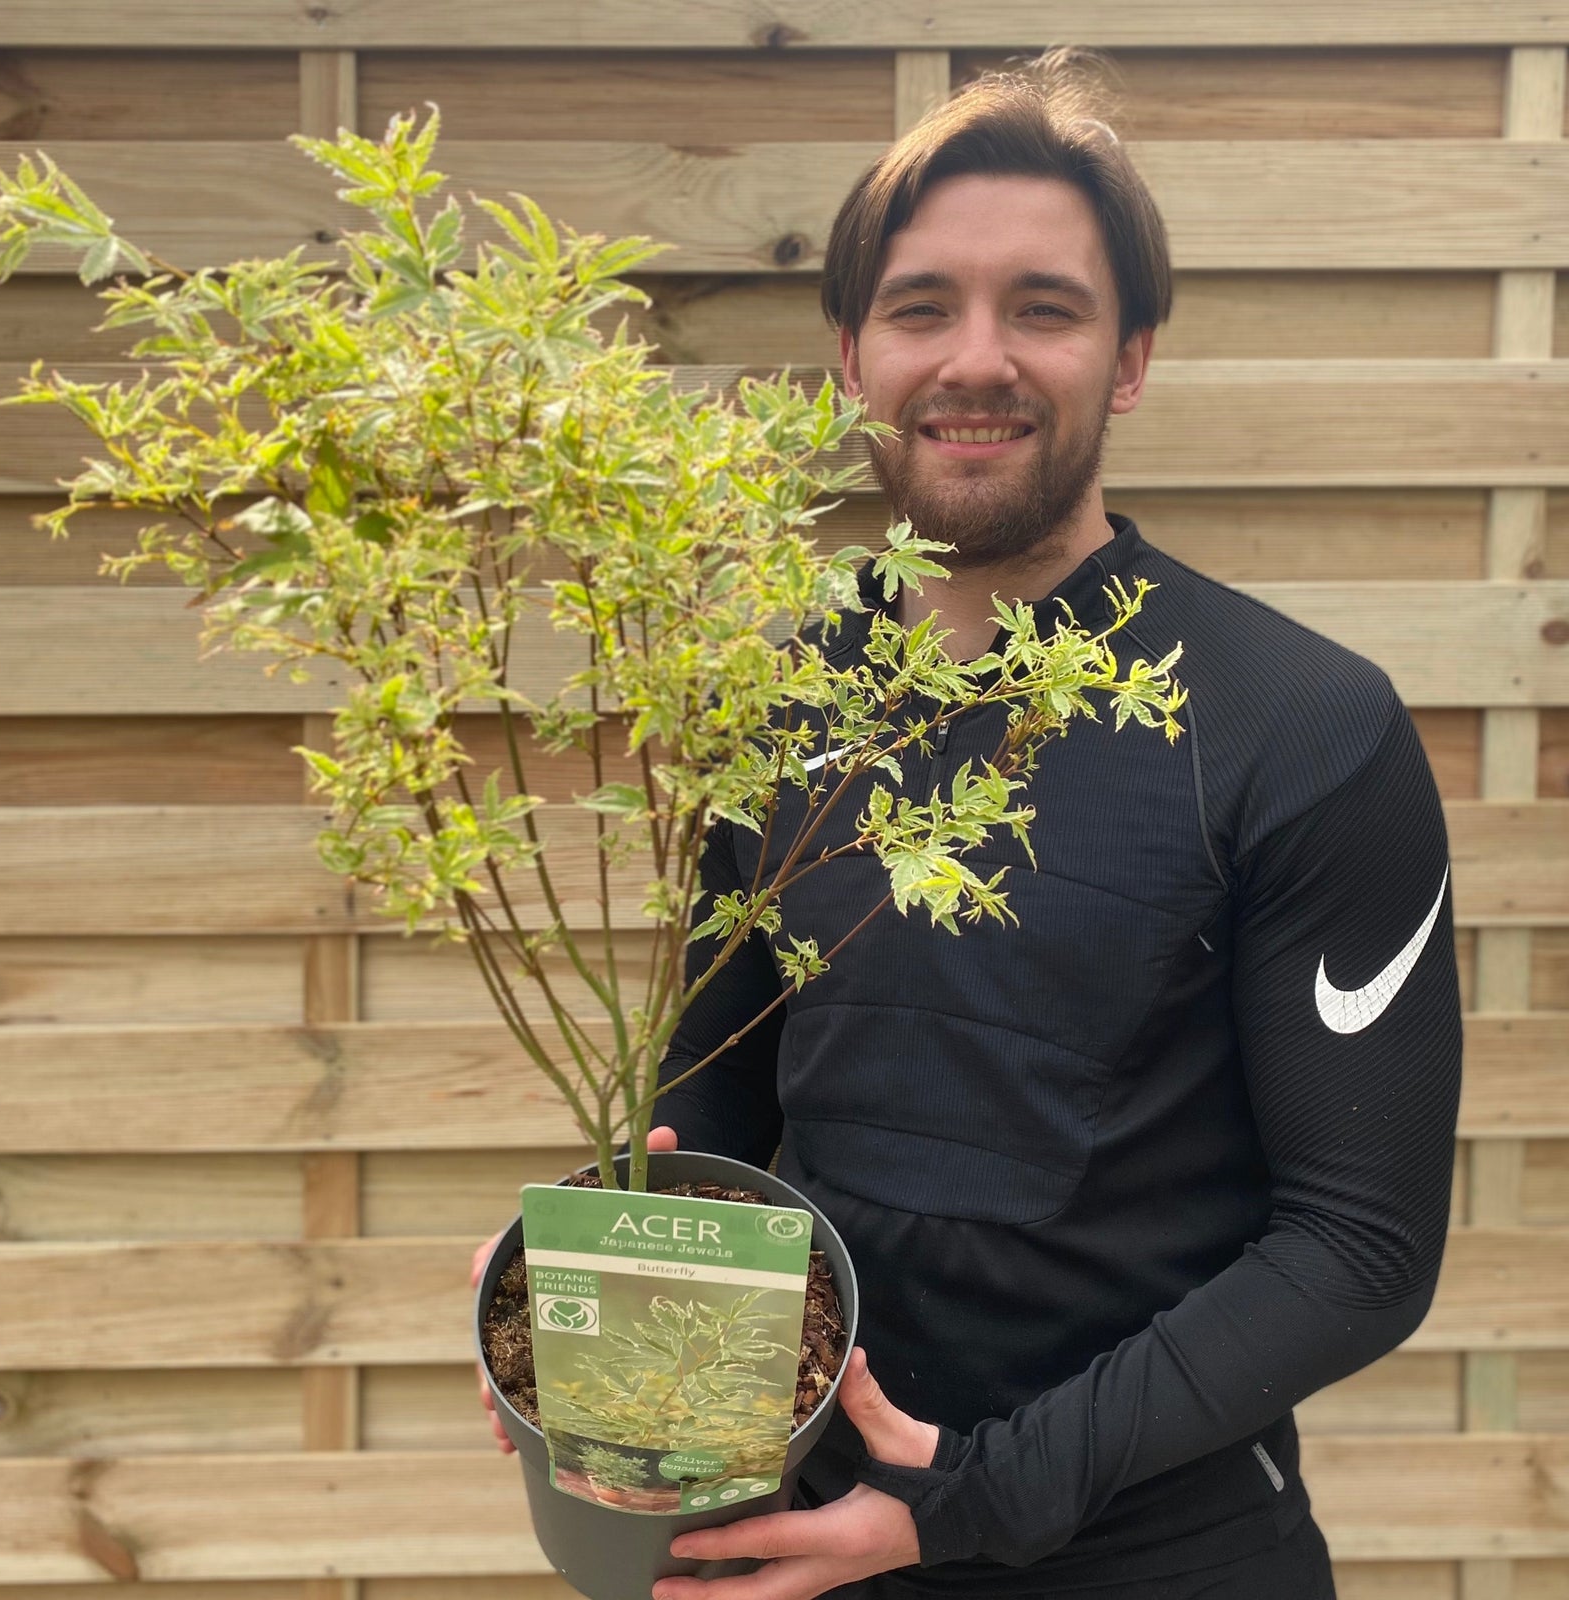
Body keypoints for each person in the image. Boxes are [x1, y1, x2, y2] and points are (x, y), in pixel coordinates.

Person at [475, 50, 1462, 1600]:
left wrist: (973, 1498)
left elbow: (1359, 1252)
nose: (977, 359)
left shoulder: (1303, 728)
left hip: (1161, 1556)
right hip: (791, 1538)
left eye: (1045, 309)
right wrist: (592, 1265)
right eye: (924, 306)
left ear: (1128, 359)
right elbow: (718, 1114)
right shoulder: (777, 700)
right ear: (853, 352)